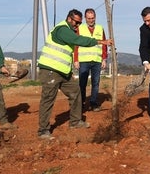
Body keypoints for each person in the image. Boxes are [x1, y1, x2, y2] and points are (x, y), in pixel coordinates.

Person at [37, 9, 113, 139]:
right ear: (69, 19)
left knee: (76, 91)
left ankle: (75, 121)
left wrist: (69, 69)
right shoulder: (62, 29)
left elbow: (66, 52)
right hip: (50, 70)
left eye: (79, 23)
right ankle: (43, 130)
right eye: (76, 23)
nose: (77, 26)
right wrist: (100, 42)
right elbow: (79, 40)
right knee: (48, 99)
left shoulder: (70, 30)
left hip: (63, 71)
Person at [73, 8, 108, 112]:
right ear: (85, 18)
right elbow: (76, 44)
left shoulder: (100, 28)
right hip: (83, 60)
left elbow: (104, 44)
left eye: (92, 18)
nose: (91, 20)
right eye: (88, 18)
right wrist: (76, 60)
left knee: (95, 83)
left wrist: (104, 59)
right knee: (82, 83)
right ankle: (82, 102)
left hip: (97, 60)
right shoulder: (80, 28)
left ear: (95, 17)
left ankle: (93, 103)